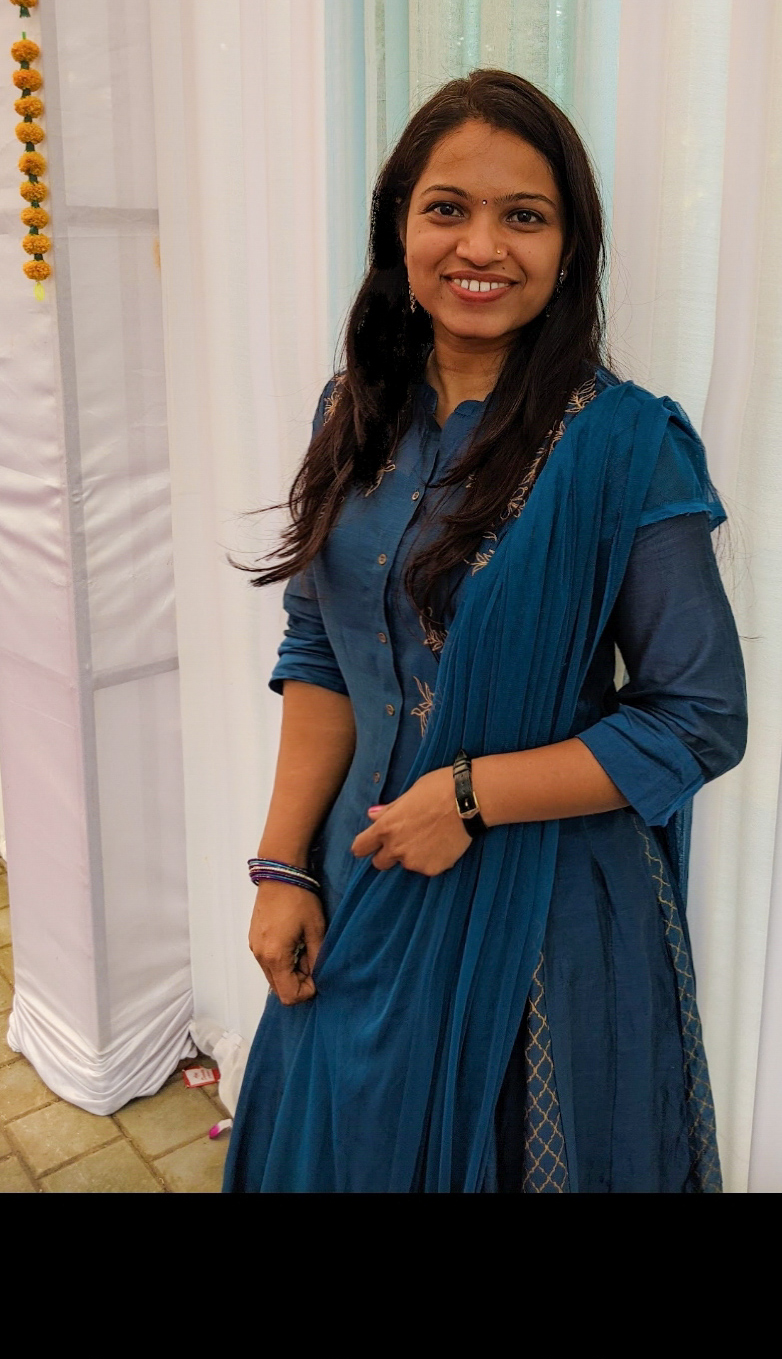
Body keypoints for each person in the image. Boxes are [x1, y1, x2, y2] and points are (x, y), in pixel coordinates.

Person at [223, 69, 747, 1194]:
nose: (481, 246)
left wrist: (468, 797)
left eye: (524, 216)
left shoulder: (627, 445)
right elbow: (319, 652)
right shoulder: (352, 411)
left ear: (569, 247)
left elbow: (698, 719)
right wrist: (281, 866)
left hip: (544, 918)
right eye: (447, 208)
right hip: (359, 884)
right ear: (399, 229)